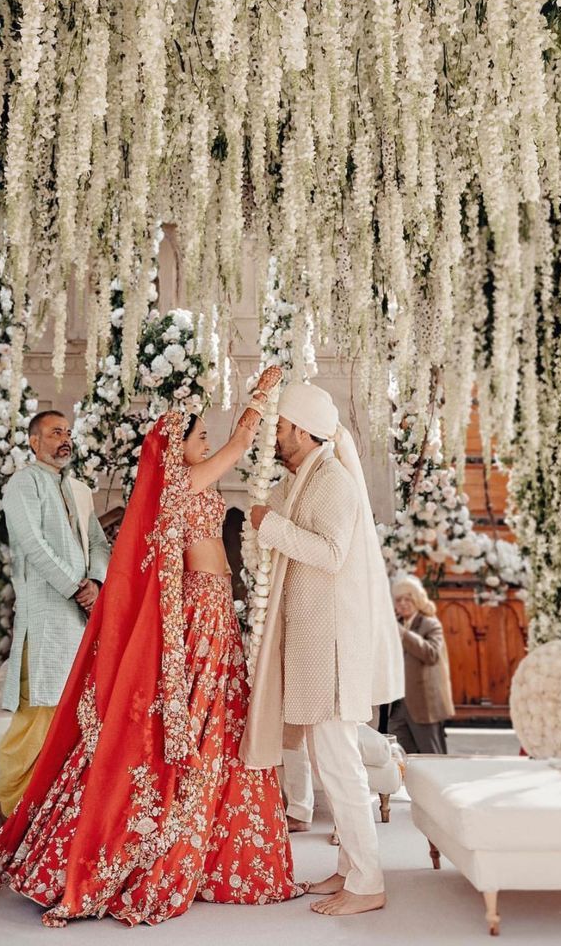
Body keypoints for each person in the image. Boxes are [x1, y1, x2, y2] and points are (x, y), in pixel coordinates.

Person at [0, 368, 303, 926]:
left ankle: (217, 856)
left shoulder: (200, 481)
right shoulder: (176, 485)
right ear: (173, 450)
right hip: (196, 618)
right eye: (196, 439)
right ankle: (134, 850)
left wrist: (254, 410)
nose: (205, 446)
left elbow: (228, 452)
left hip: (219, 615)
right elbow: (237, 444)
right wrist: (257, 403)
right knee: (189, 733)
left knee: (223, 731)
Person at [243, 382, 404, 918]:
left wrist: (270, 527)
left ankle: (369, 882)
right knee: (325, 758)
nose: (277, 438)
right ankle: (350, 867)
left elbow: (331, 554)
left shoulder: (333, 481)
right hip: (312, 643)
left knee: (339, 763)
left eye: (283, 429)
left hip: (332, 646)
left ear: (304, 429)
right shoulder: (305, 480)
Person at [0, 410, 111, 827]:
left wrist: (96, 580)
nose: (64, 439)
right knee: (35, 717)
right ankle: (14, 816)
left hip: (81, 620)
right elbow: (32, 543)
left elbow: (98, 542)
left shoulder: (78, 489)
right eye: (54, 433)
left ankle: (54, 822)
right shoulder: (24, 483)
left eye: (67, 432)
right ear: (33, 441)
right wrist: (74, 586)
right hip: (45, 617)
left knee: (73, 717)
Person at [389, 575, 454, 753]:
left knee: (431, 756)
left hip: (423, 706)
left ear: (417, 599)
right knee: (400, 757)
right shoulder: (394, 626)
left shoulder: (430, 624)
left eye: (407, 599)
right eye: (398, 599)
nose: (402, 603)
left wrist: (403, 634)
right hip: (397, 707)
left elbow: (432, 654)